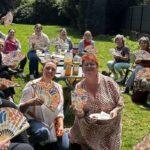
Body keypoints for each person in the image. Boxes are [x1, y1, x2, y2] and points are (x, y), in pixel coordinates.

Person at [69, 53, 124, 150]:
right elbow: (80, 113)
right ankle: (86, 143)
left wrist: (115, 111)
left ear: (97, 67)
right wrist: (78, 111)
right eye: (86, 64)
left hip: (110, 124)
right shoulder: (80, 87)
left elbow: (120, 103)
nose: (89, 67)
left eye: (92, 64)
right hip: (89, 124)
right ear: (82, 68)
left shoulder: (109, 82)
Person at [19, 61, 69, 150]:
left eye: (53, 69)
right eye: (47, 68)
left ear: (55, 73)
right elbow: (20, 110)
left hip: (54, 122)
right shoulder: (32, 85)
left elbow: (60, 111)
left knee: (64, 147)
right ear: (42, 69)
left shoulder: (58, 87)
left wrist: (60, 126)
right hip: (35, 121)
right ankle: (26, 145)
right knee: (43, 133)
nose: (50, 71)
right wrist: (30, 102)